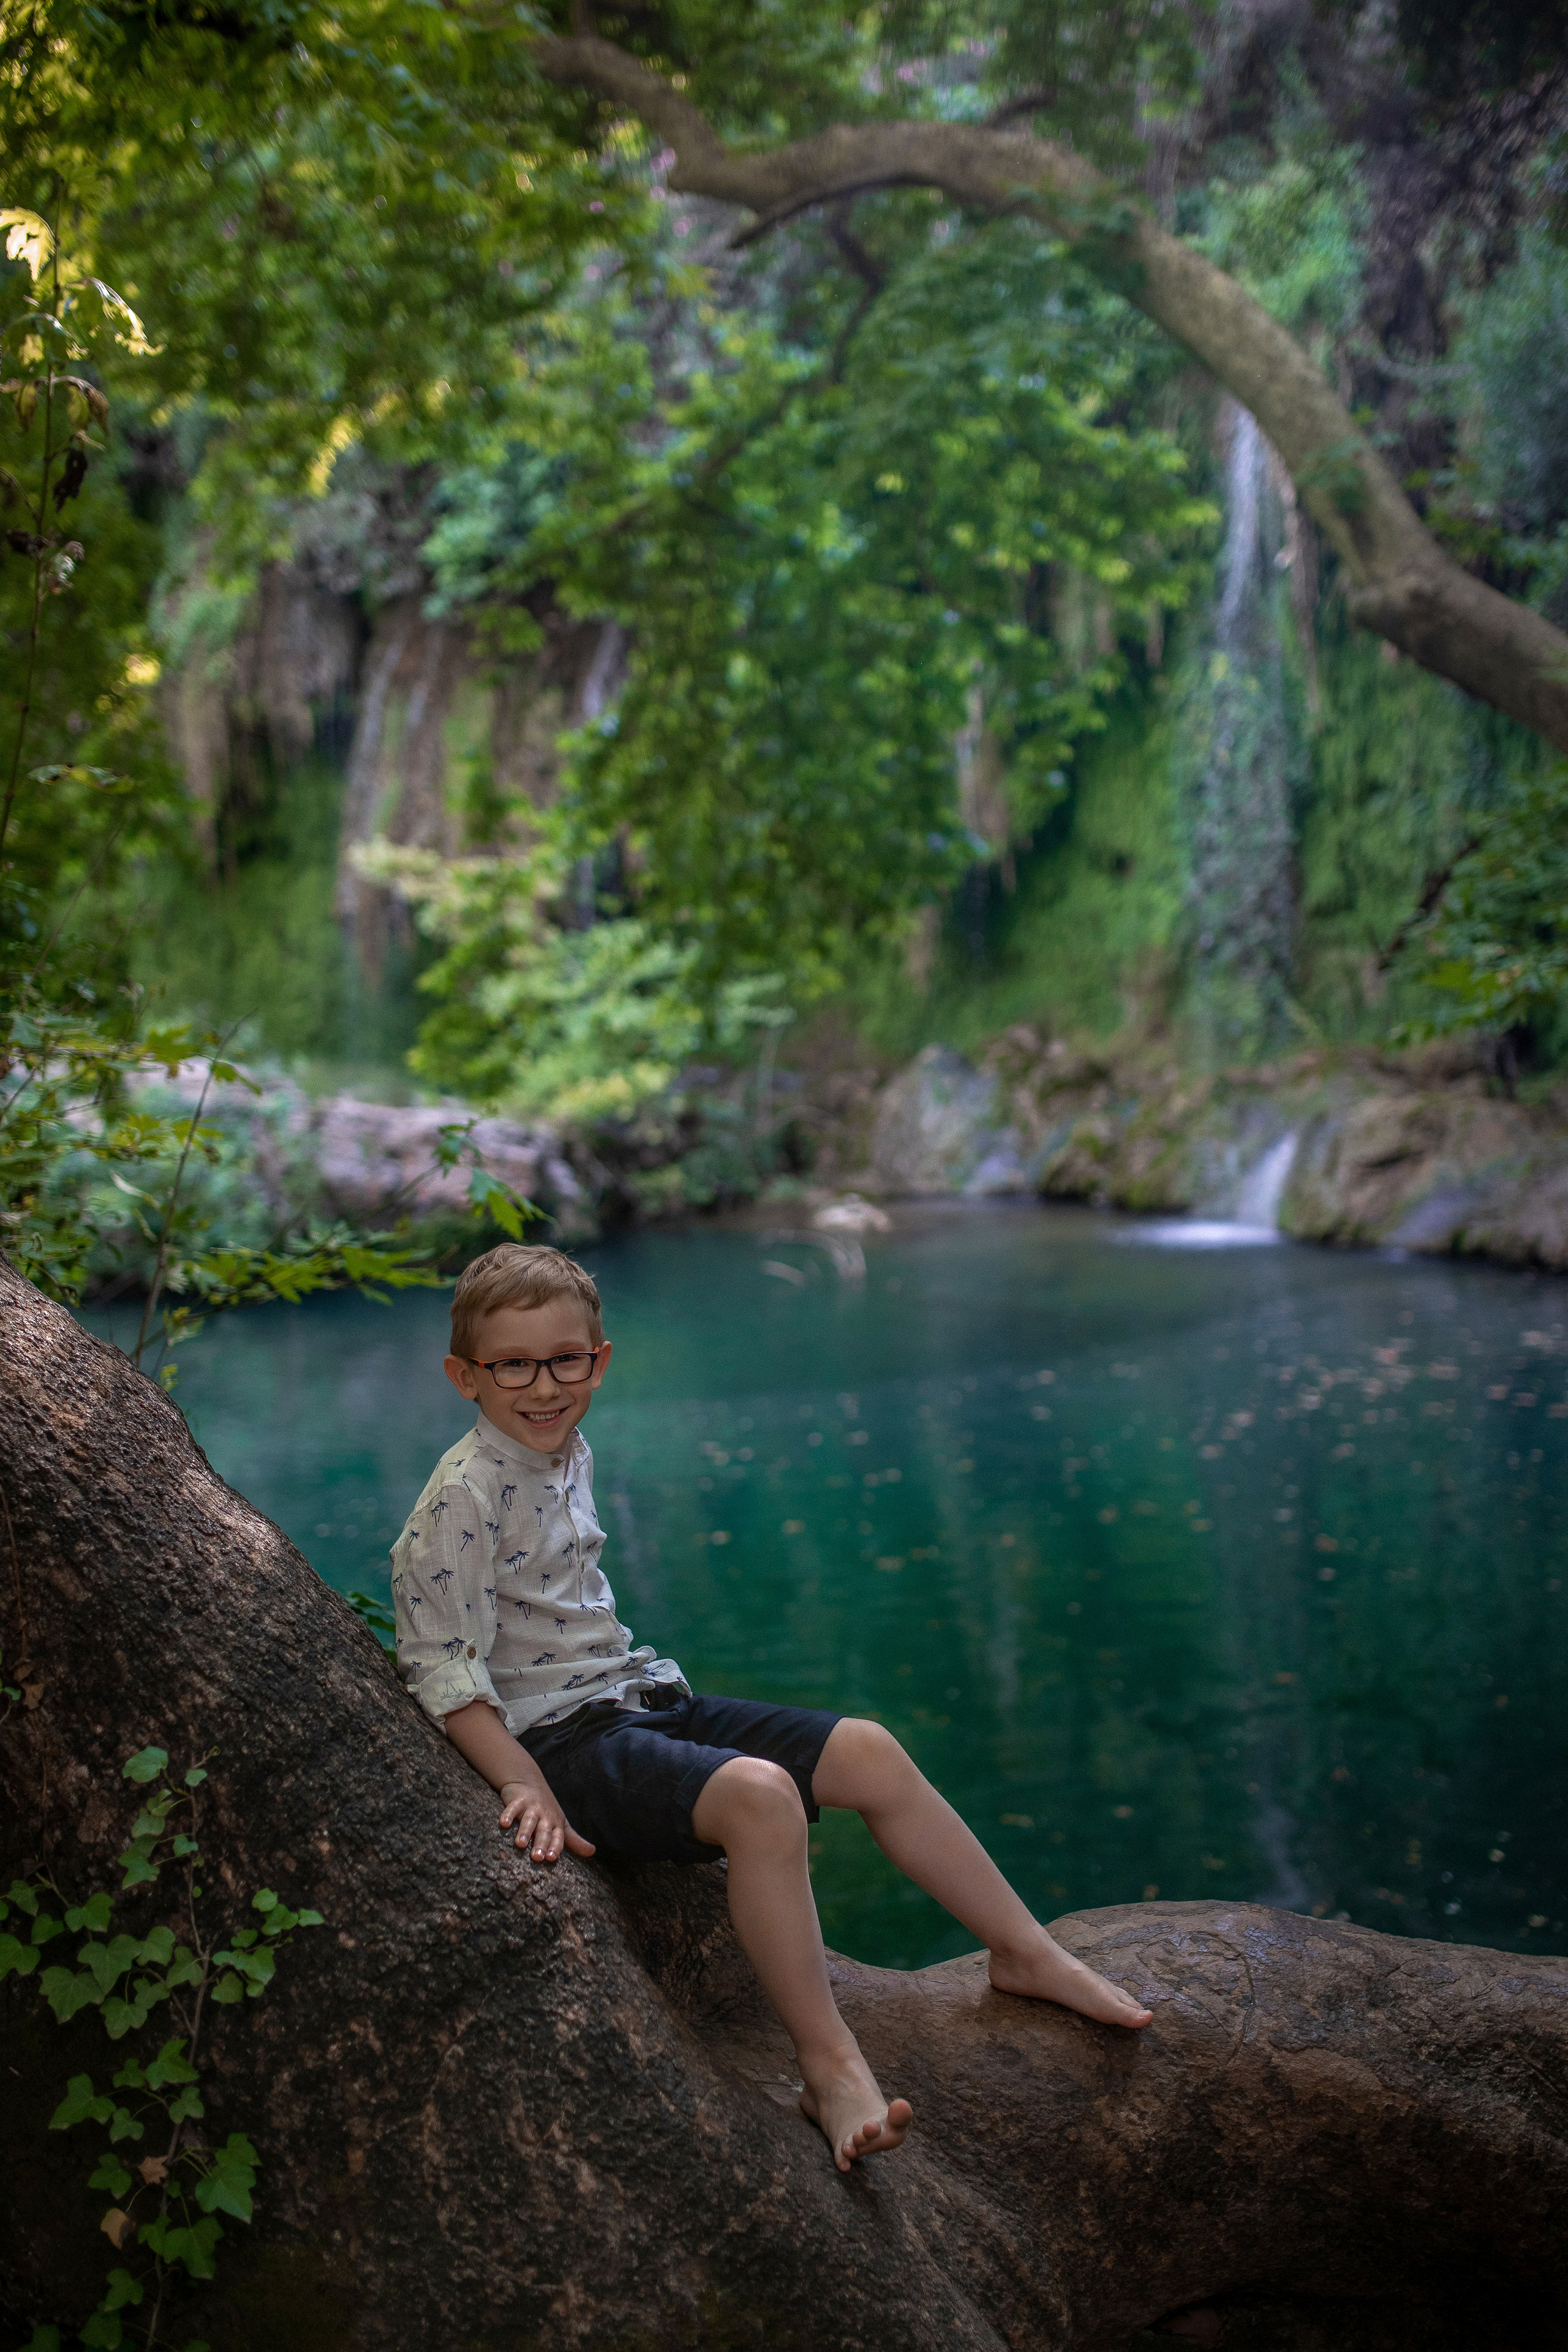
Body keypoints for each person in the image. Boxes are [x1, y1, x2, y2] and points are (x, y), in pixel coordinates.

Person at [391, 1242, 1153, 2174]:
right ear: (464, 1376)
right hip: (562, 1744)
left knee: (869, 1749)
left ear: (601, 1360)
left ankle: (1024, 1950)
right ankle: (828, 2064)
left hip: (638, 1699)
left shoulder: (562, 1446)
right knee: (760, 1797)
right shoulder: (460, 1498)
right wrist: (521, 1782)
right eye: (513, 1365)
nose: (544, 1386)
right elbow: (442, 1667)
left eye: (567, 1360)